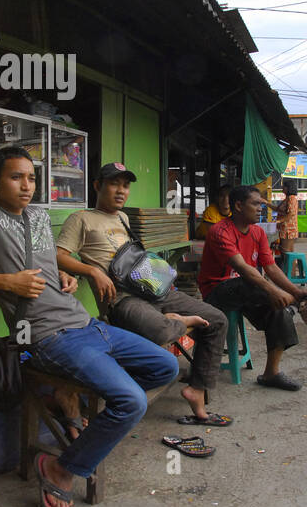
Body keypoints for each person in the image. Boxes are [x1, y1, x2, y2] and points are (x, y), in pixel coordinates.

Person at [0, 146, 178, 507]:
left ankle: (91, 432)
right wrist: (9, 283)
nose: (26, 186)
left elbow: (45, 261)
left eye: (32, 178)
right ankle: (61, 467)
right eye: (15, 177)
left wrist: (65, 275)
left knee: (167, 367)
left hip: (85, 322)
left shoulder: (38, 216)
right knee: (130, 400)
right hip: (45, 336)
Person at [57, 163, 226, 441]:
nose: (121, 190)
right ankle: (174, 323)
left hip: (154, 289)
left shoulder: (123, 217)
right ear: (97, 186)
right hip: (122, 300)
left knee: (217, 318)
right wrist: (93, 271)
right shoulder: (81, 219)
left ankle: (197, 388)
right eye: (114, 184)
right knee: (159, 332)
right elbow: (59, 255)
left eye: (125, 185)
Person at [199, 182, 307, 391]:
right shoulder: (220, 231)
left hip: (246, 290)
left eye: (261, 204)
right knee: (254, 283)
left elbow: (271, 269)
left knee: (277, 310)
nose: (261, 208)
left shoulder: (258, 233)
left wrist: (295, 291)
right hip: (217, 292)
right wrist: (275, 292)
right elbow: (243, 269)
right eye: (255, 204)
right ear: (238, 206)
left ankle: (271, 373)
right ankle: (293, 304)